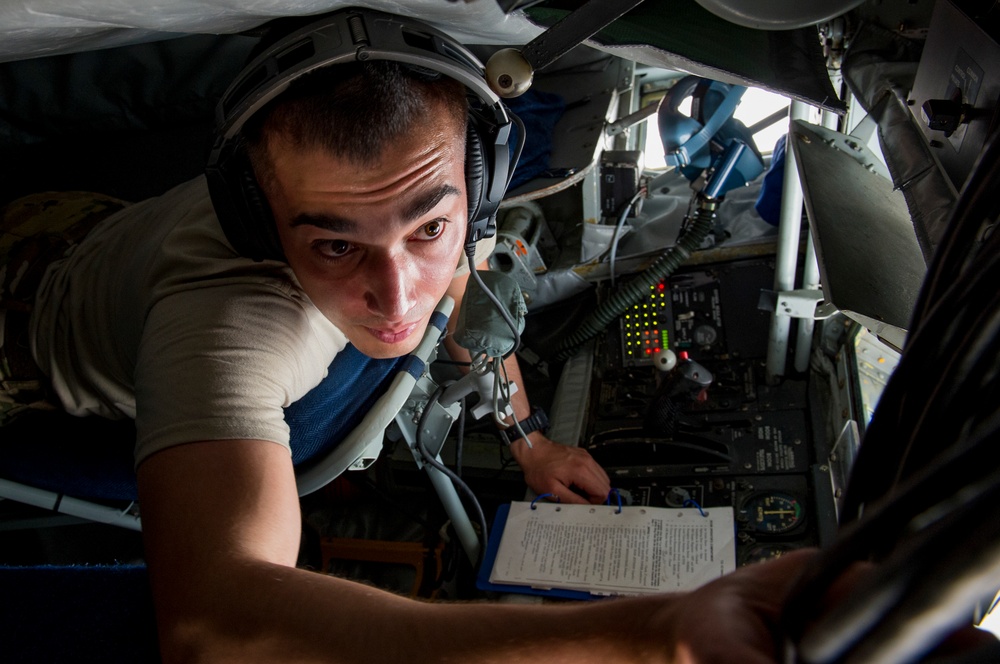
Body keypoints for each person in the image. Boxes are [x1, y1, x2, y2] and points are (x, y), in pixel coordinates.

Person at [1, 8, 954, 664]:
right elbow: (214, 621)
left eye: (429, 226)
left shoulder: (441, 217)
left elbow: (461, 296)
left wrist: (529, 443)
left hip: (105, 224)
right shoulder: (226, 324)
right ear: (258, 223)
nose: (393, 291)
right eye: (334, 242)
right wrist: (653, 639)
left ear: (476, 187)